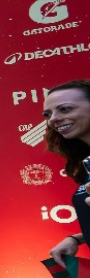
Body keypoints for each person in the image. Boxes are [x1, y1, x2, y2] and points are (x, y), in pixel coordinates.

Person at [44, 81, 90, 261]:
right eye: (48, 114)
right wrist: (77, 239)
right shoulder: (85, 160)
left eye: (65, 109)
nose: (53, 119)